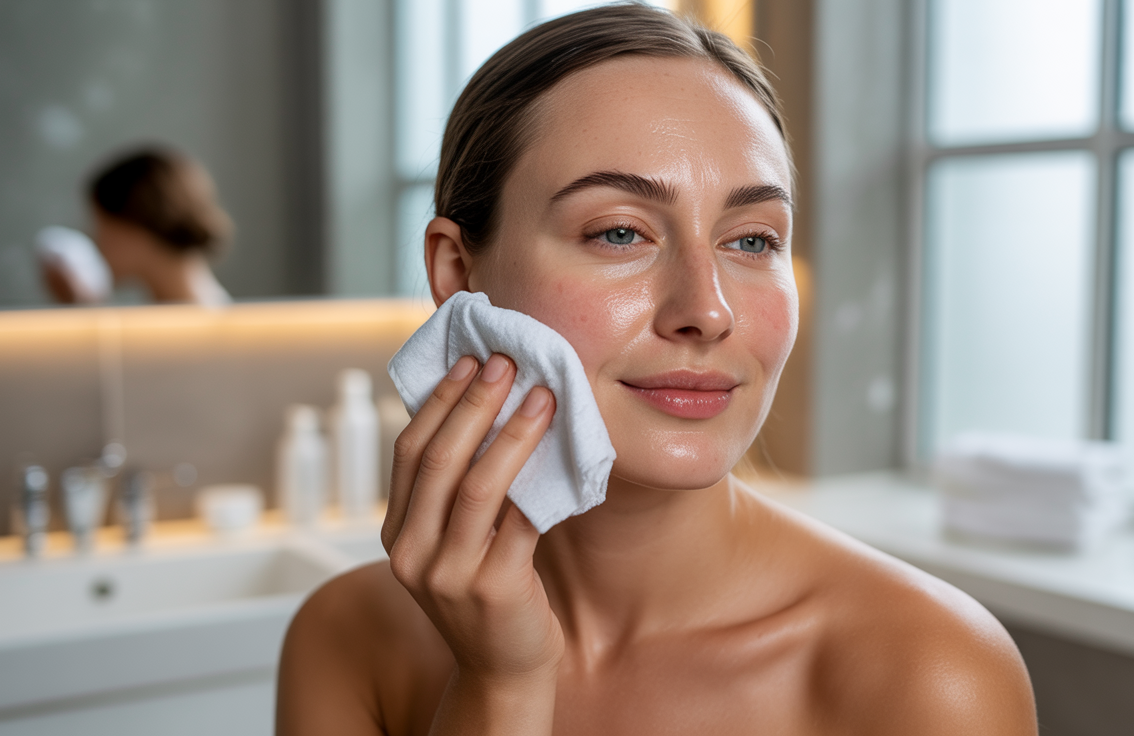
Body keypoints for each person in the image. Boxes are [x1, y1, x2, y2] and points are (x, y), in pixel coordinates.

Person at [277, 5, 1037, 735]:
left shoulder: (935, 675)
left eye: (752, 241)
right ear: (457, 271)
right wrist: (500, 684)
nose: (706, 311)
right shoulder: (348, 641)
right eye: (619, 233)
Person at [43, 147, 233, 306]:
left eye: (102, 226)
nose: (96, 241)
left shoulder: (212, 330)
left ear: (137, 226)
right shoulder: (166, 318)